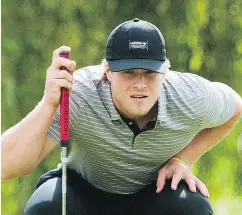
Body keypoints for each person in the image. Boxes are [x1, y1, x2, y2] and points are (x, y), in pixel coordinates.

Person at [2, 18, 242, 215]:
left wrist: (183, 159)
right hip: (83, 190)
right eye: (128, 72)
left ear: (165, 70)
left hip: (154, 192)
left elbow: (235, 108)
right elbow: (5, 165)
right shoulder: (78, 92)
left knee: (194, 207)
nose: (140, 84)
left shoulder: (190, 95)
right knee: (45, 208)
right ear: (107, 70)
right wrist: (48, 103)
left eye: (149, 73)